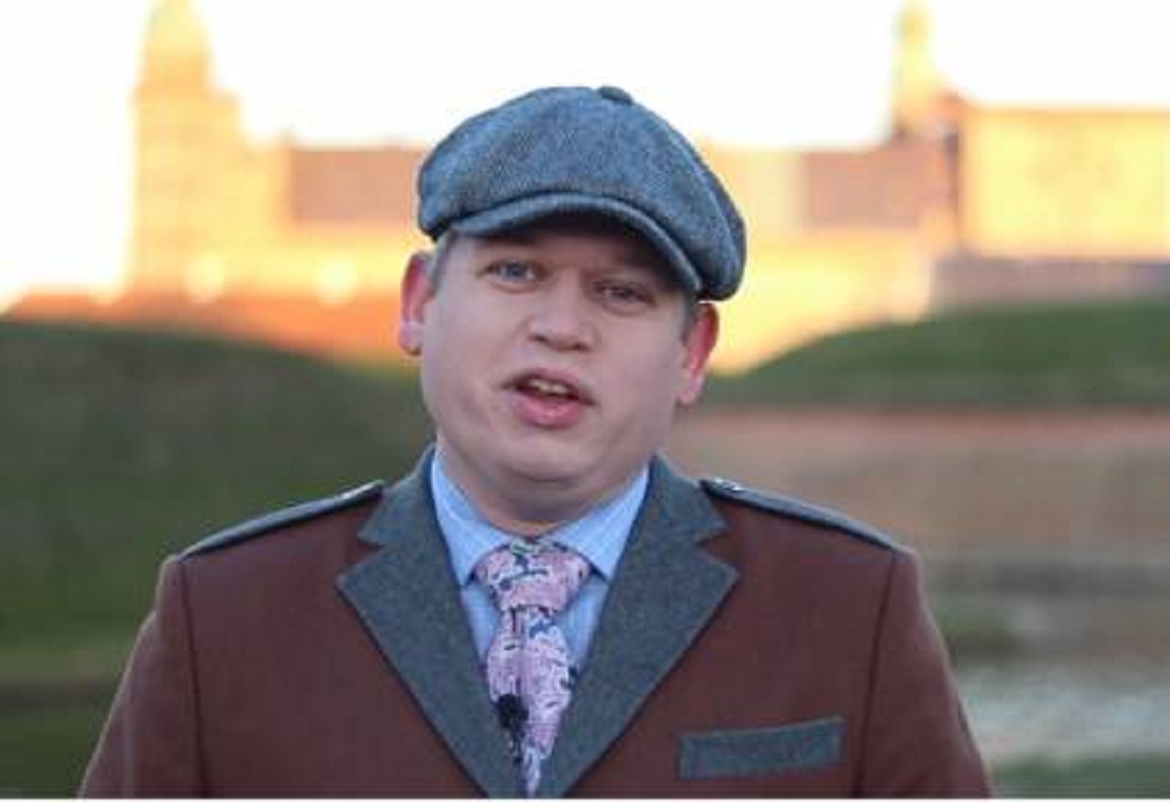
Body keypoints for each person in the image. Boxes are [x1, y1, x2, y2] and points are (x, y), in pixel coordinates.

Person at [82, 85, 989, 797]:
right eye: (516, 271)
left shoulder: (847, 609)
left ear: (692, 353)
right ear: (419, 304)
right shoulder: (225, 616)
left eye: (621, 293)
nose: (561, 327)